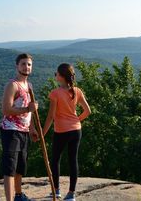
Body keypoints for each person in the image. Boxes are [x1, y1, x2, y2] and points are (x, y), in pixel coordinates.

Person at [42, 63, 91, 201]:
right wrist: (76, 121)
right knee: (73, 160)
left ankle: (56, 191)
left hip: (61, 131)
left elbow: (51, 117)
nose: (55, 75)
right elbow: (88, 111)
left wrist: (42, 134)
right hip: (76, 130)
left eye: (56, 73)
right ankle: (71, 194)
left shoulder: (55, 93)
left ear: (62, 77)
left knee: (56, 160)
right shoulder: (77, 91)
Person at [0, 53, 39, 201]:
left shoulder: (29, 85)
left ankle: (18, 195)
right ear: (17, 66)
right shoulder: (12, 85)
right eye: (23, 64)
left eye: (29, 64)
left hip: (23, 131)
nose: (26, 67)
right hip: (10, 130)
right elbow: (6, 109)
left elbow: (31, 111)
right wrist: (27, 110)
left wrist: (32, 128)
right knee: (10, 167)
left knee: (20, 166)